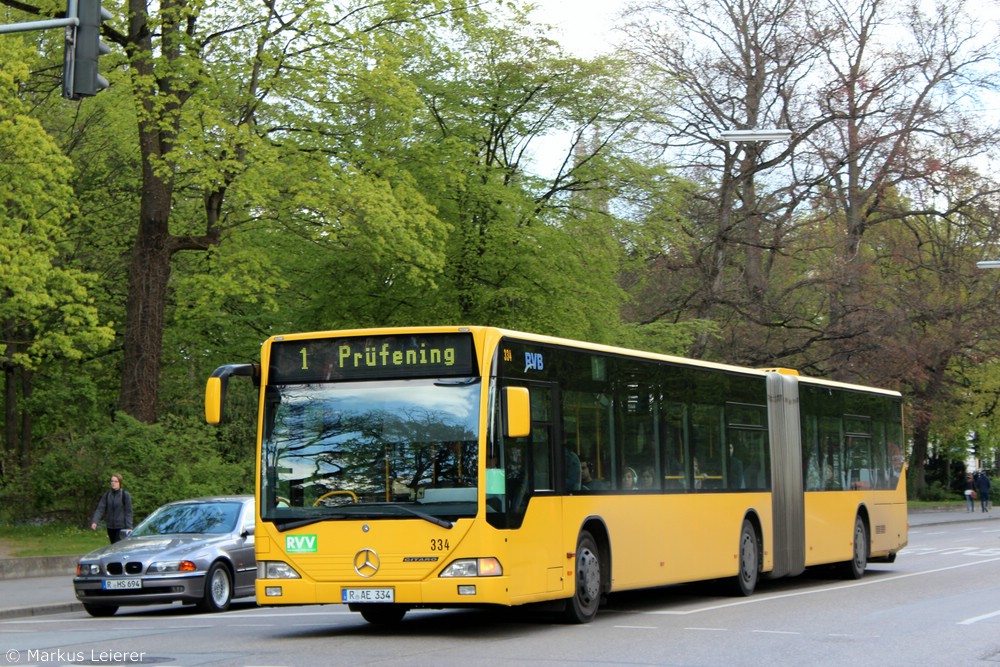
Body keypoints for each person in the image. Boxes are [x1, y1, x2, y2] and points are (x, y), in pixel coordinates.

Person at [91, 473, 134, 543]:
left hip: (121, 527)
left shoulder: (125, 495)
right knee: (113, 546)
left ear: (120, 483)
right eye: (112, 481)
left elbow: (128, 512)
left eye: (115, 481)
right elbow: (100, 508)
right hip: (110, 527)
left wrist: (129, 527)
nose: (113, 483)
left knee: (117, 546)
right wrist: (95, 521)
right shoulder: (107, 495)